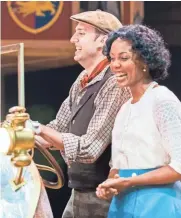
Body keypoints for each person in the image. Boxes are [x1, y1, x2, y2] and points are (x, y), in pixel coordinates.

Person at [32, 10, 131, 218]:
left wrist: (37, 129)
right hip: (80, 190)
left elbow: (90, 149)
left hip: (105, 195)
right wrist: (20, 135)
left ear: (102, 40)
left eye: (81, 33)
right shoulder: (83, 79)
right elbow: (58, 126)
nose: (72, 39)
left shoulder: (114, 82)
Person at [95, 24, 181, 218]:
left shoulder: (162, 100)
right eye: (112, 58)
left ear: (146, 61)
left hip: (159, 204)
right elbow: (118, 166)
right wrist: (110, 185)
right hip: (123, 204)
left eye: (124, 58)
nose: (115, 65)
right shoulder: (125, 108)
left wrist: (130, 182)